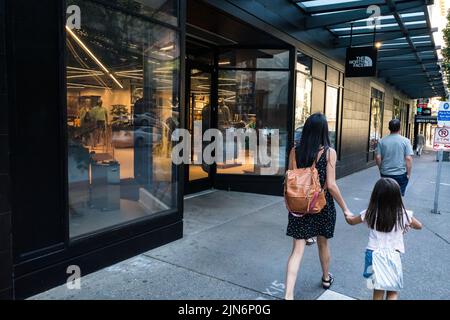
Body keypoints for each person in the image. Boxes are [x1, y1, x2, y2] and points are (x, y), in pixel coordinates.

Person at [284, 113, 352, 300]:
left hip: (299, 205)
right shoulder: (329, 153)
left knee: (297, 251)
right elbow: (331, 185)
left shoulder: (294, 150)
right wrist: (345, 208)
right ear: (324, 131)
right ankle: (325, 278)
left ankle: (288, 295)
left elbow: (291, 178)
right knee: (323, 244)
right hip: (321, 205)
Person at [344, 178, 422, 300]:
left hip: (373, 255)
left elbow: (352, 221)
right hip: (393, 255)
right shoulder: (403, 214)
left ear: (375, 196)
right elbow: (419, 226)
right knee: (392, 291)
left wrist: (347, 213)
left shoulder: (370, 212)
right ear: (397, 197)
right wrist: (406, 224)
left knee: (377, 290)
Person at [375, 119, 414, 196]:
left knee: (385, 195)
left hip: (385, 173)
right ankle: (395, 208)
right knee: (398, 196)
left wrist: (381, 168)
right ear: (400, 128)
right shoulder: (405, 141)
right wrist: (408, 174)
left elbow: (378, 157)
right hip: (400, 174)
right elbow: (408, 159)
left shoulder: (382, 141)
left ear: (389, 128)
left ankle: (385, 207)